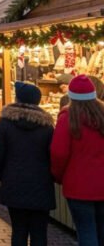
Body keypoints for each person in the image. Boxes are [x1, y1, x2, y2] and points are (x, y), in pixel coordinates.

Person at [0, 82, 55, 246]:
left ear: (18, 99)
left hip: (14, 182)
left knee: (18, 230)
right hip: (41, 183)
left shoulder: (6, 123)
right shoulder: (47, 126)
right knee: (39, 232)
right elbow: (53, 154)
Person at [50, 75, 104, 246]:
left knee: (86, 230)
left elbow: (58, 153)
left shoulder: (67, 118)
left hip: (78, 187)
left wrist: (58, 176)